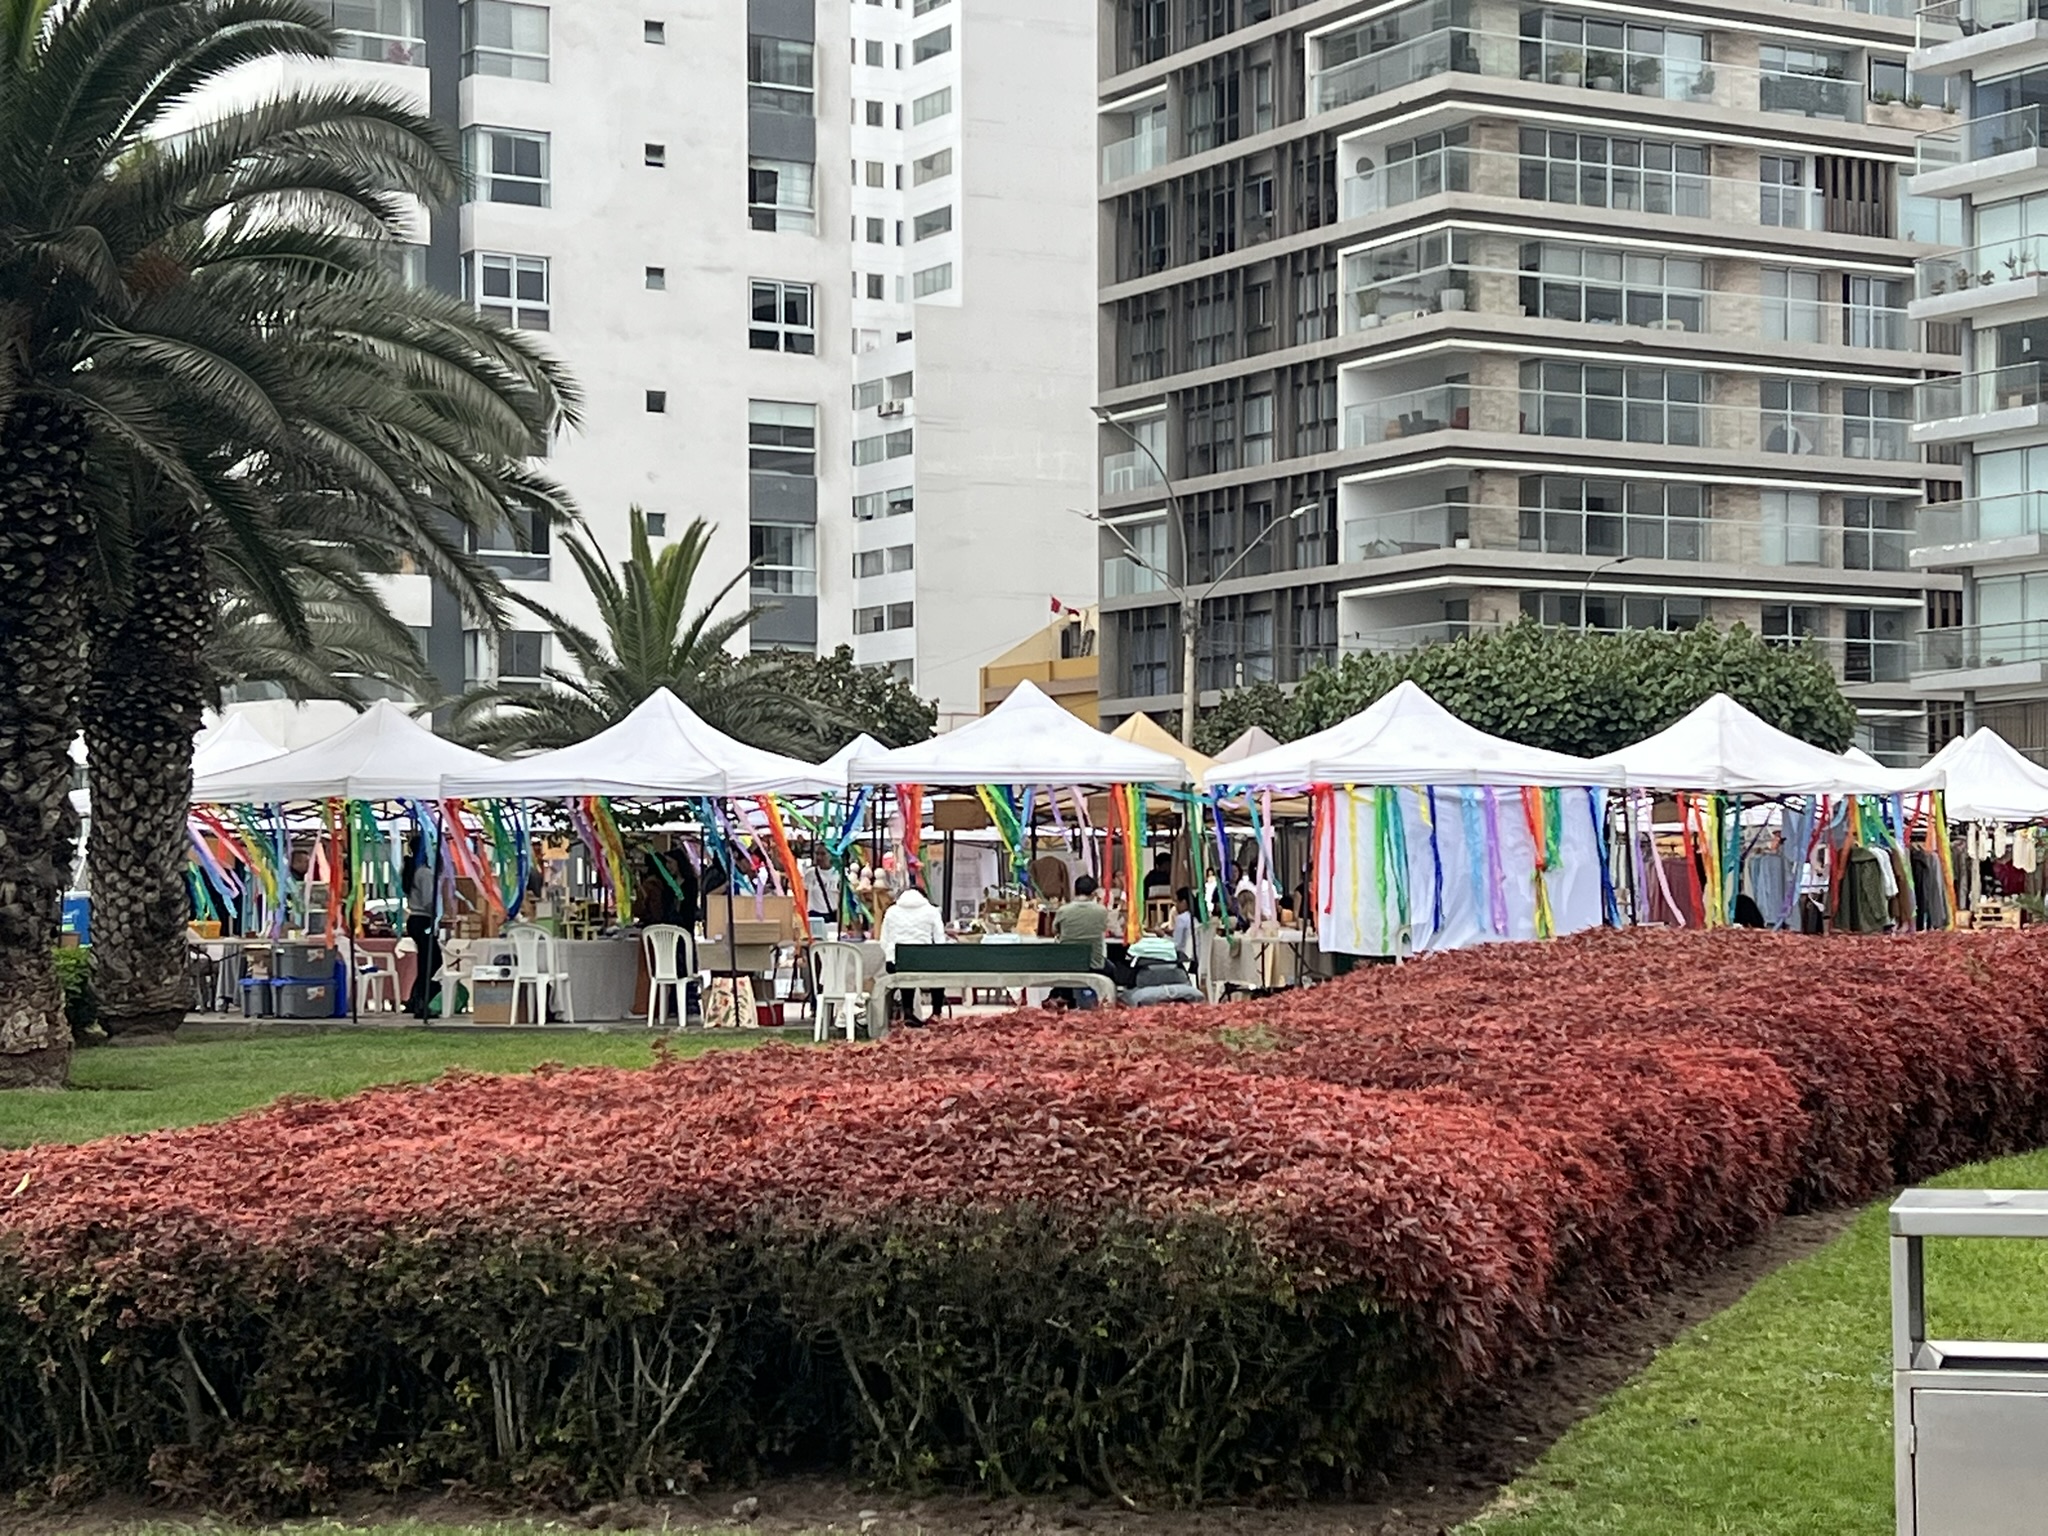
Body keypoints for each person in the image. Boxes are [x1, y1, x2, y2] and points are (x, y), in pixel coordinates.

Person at [878, 884, 947, 1023]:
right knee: (937, 974)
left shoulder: (891, 911)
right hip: (925, 961)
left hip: (897, 963)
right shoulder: (932, 911)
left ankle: (908, 1011)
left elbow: (884, 940)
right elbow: (940, 941)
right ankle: (936, 1012)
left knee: (906, 971)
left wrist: (890, 955)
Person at [1052, 874, 1114, 1008]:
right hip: (1094, 964)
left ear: (1075, 891)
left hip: (1068, 963)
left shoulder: (1063, 910)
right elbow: (1106, 928)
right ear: (1094, 893)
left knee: (1066, 971)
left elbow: (1055, 930)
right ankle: (1107, 1001)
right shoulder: (1101, 911)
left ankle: (1064, 997)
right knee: (1112, 969)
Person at [400, 836, 441, 1019]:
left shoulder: (412, 870)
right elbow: (429, 900)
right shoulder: (424, 873)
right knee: (432, 962)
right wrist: (440, 912)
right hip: (424, 919)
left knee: (426, 961)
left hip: (415, 919)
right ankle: (422, 1001)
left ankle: (416, 998)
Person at [806, 845, 843, 934]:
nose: (819, 857)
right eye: (817, 854)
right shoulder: (810, 873)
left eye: (823, 854)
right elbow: (804, 893)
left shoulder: (839, 873)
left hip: (833, 915)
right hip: (815, 914)